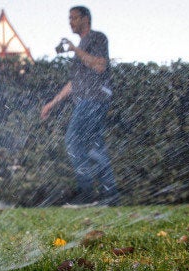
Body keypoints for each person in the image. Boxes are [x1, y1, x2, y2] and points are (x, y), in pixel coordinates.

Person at [40, 6, 119, 206]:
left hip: (94, 99)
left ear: (86, 19)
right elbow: (74, 83)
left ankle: (86, 193)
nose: (70, 22)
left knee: (74, 142)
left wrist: (75, 49)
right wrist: (52, 103)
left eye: (74, 18)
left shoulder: (97, 38)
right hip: (87, 99)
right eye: (69, 18)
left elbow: (100, 66)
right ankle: (109, 196)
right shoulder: (83, 45)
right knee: (95, 147)